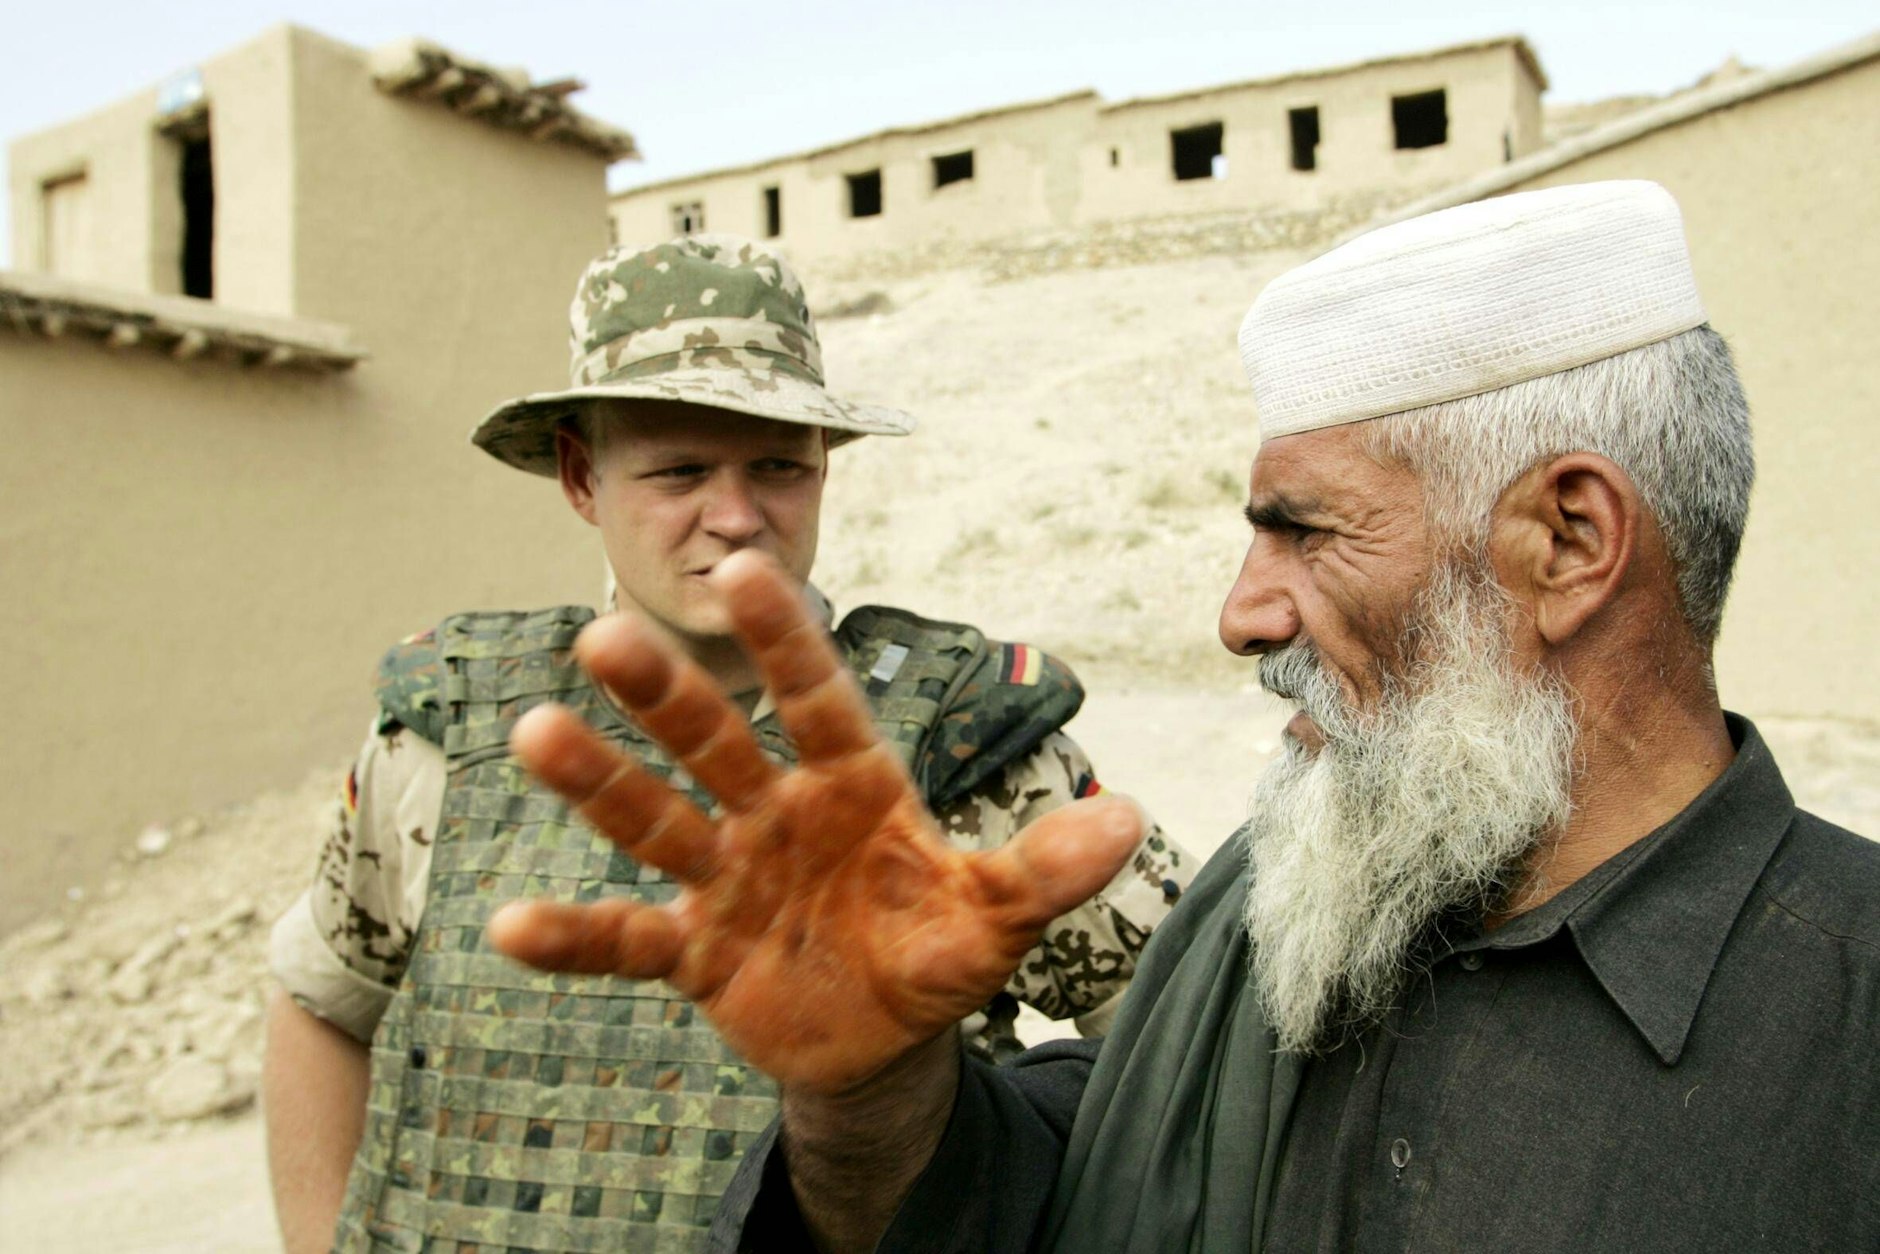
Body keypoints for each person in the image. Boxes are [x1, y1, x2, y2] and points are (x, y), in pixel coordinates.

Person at [484, 182, 1880, 1253]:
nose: (1241, 613)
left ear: (1568, 540)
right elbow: (1026, 1198)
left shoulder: (1849, 1012)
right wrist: (871, 1089)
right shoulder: (1270, 917)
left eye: (1305, 532)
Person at [261, 234, 1191, 1254]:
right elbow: (321, 1005)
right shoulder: (452, 735)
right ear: (581, 478)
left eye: (778, 468)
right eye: (680, 470)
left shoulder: (965, 742)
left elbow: (1190, 1057)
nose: (737, 518)